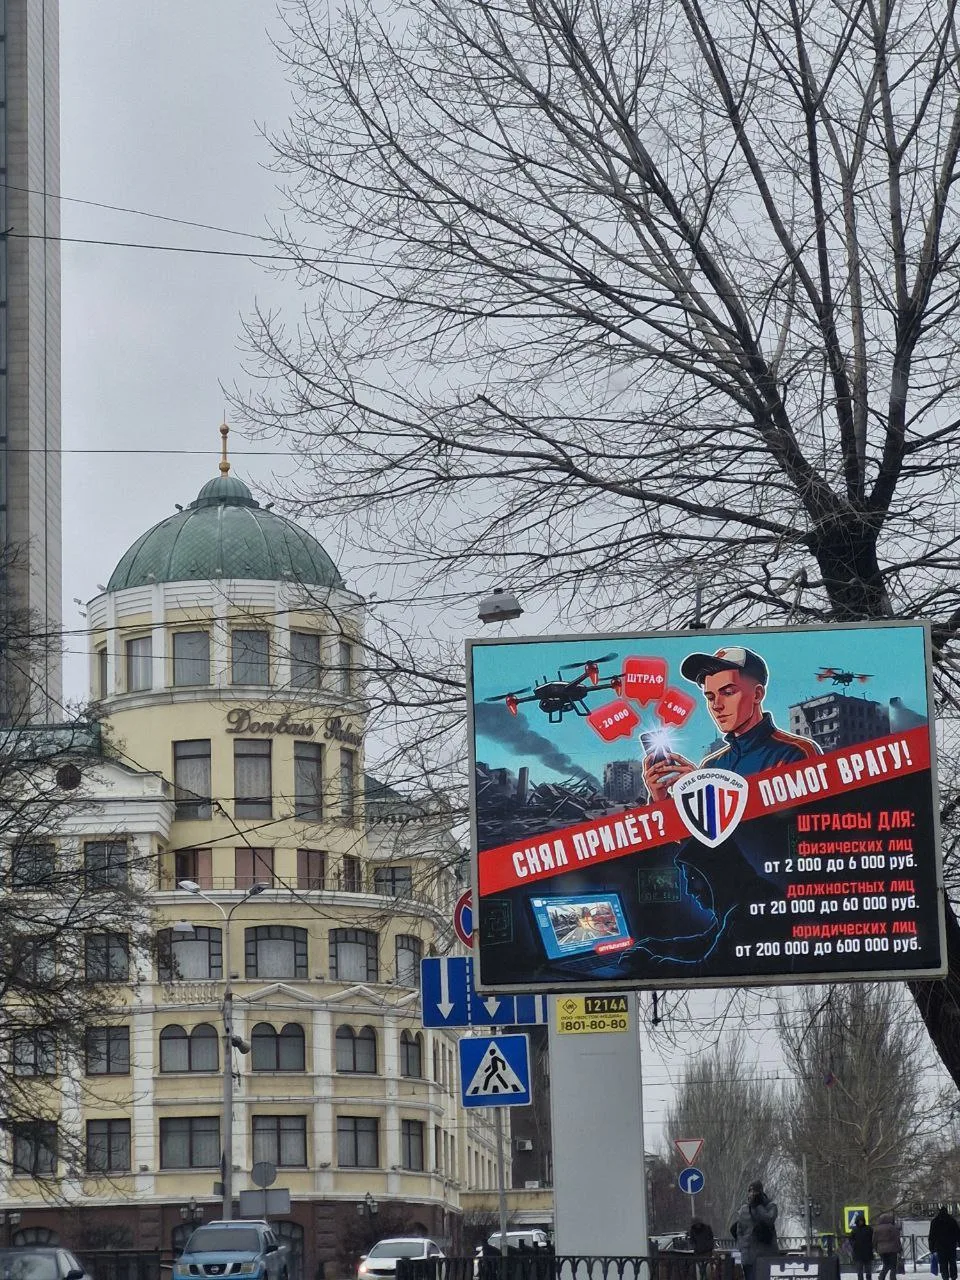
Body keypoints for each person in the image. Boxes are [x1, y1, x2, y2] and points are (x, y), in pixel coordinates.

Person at [643, 646, 821, 800]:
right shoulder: (711, 765)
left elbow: (803, 821)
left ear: (757, 694)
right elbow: (697, 831)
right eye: (710, 697)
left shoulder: (795, 753)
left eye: (728, 693)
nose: (716, 705)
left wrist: (705, 791)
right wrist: (662, 799)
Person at [732, 1179, 779, 1280]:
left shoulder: (770, 1206)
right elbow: (739, 1230)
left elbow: (769, 1220)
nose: (752, 1194)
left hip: (765, 1254)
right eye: (750, 1191)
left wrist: (758, 1206)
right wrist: (742, 1246)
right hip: (748, 1255)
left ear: (761, 1192)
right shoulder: (744, 1209)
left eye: (755, 1191)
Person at [929, 1207, 960, 1280]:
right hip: (951, 1246)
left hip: (940, 1247)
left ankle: (945, 1277)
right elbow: (958, 1233)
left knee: (943, 1264)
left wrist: (931, 1248)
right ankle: (953, 1277)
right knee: (952, 1263)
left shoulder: (935, 1221)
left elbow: (932, 1236)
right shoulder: (952, 1220)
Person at [873, 1211, 902, 1280]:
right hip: (892, 1249)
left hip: (881, 1250)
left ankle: (881, 1277)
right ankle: (892, 1278)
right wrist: (899, 1248)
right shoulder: (892, 1227)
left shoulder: (877, 1228)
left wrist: (876, 1248)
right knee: (893, 1265)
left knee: (886, 1264)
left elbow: (874, 1240)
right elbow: (896, 1238)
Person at [850, 1212, 874, 1280]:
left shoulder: (869, 1229)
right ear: (857, 1221)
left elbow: (873, 1238)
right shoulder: (854, 1230)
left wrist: (871, 1246)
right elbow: (851, 1239)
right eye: (859, 1221)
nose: (860, 1222)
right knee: (859, 1272)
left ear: (864, 1221)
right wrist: (854, 1245)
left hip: (867, 1252)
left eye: (862, 1221)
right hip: (858, 1253)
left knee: (868, 1271)